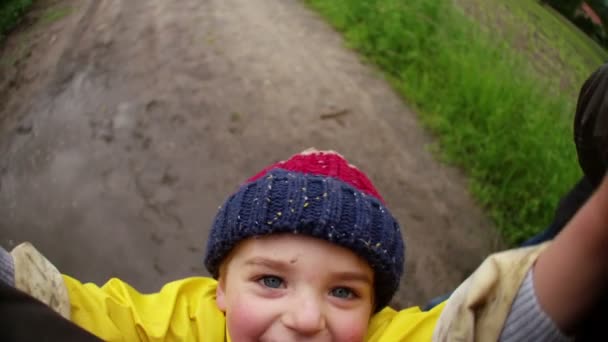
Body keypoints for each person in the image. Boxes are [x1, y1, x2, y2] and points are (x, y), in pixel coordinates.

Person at [1, 148, 606, 341]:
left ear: (374, 313)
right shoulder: (184, 323)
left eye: (344, 291)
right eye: (270, 280)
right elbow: (57, 306)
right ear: (218, 291)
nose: (307, 318)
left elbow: (483, 325)